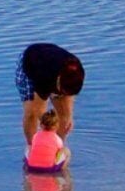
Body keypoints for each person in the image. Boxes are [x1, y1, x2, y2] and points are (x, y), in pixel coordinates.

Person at [17, 41, 84, 172]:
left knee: (64, 118)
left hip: (60, 73)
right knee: (31, 113)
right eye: (61, 92)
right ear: (58, 81)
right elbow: (39, 112)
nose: (61, 95)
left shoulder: (77, 72)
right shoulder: (43, 75)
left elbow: (68, 95)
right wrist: (45, 136)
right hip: (29, 66)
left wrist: (69, 116)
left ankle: (55, 151)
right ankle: (34, 149)